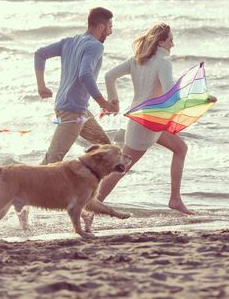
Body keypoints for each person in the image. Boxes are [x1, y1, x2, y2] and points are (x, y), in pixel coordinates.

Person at [92, 22, 216, 225]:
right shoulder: (163, 63)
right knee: (121, 168)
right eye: (171, 40)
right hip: (146, 124)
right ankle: (92, 206)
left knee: (180, 148)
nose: (173, 44)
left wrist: (114, 100)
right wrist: (202, 98)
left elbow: (109, 76)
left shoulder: (136, 60)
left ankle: (175, 199)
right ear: (160, 41)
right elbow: (170, 93)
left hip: (147, 120)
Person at [14, 7, 119, 228]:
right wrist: (103, 103)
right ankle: (20, 202)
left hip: (75, 109)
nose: (110, 31)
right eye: (110, 27)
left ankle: (85, 202)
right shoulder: (95, 46)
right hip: (72, 111)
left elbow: (39, 53)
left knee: (105, 150)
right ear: (101, 26)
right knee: (52, 163)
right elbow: (85, 74)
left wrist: (41, 86)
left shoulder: (70, 41)